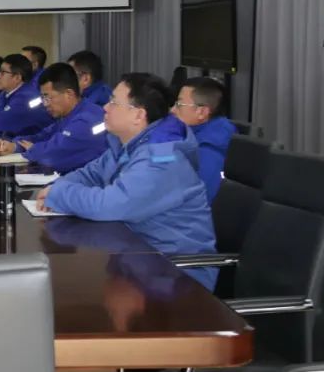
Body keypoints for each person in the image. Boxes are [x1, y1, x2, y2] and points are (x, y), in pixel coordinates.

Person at [36, 73, 217, 289]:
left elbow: (110, 204)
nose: (105, 107)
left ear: (138, 115)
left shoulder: (162, 159)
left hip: (176, 275)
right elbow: (90, 174)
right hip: (138, 257)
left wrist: (59, 193)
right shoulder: (126, 144)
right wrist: (57, 187)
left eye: (114, 102)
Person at [0, 63, 107, 174]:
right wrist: (13, 145)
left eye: (47, 98)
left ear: (69, 94)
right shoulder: (67, 116)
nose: (45, 104)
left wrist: (33, 149)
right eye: (42, 98)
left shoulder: (88, 119)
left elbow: (53, 155)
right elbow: (42, 137)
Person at [171, 77, 236, 202]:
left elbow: (197, 203)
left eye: (179, 105)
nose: (172, 110)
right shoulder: (191, 135)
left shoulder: (209, 152)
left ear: (201, 112)